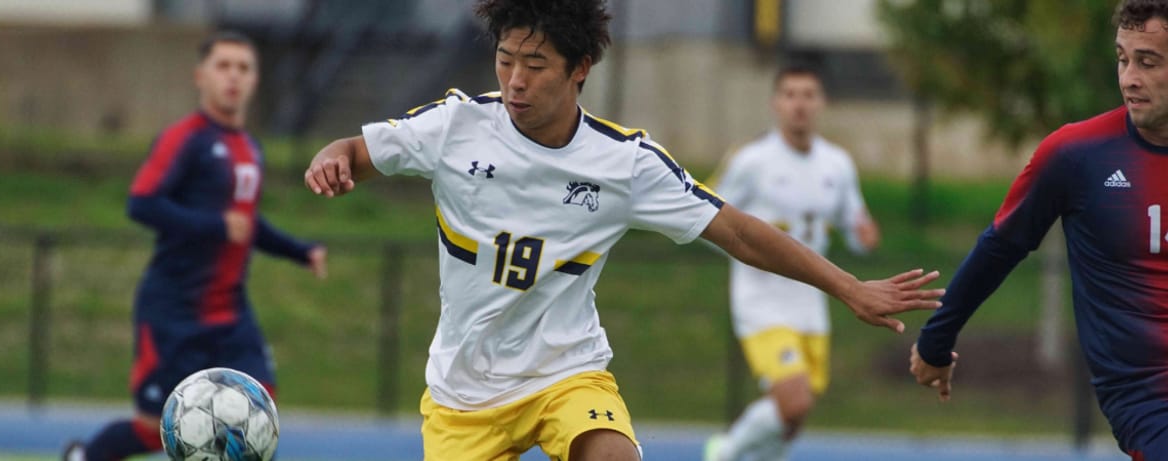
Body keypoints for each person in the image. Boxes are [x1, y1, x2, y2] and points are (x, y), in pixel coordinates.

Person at [305, 1, 941, 459]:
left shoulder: (626, 163)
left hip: (566, 373)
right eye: (505, 60)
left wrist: (849, 287)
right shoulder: (454, 127)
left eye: (536, 64)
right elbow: (357, 153)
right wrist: (333, 158)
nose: (515, 80)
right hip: (462, 392)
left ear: (580, 68)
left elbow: (740, 232)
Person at [910, 1, 1168, 458]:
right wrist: (935, 341)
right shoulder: (1076, 155)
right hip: (1150, 400)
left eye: (1148, 62)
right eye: (1123, 59)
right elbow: (999, 249)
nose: (1129, 77)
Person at [62, 31, 327, 461]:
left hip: (232, 315)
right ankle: (83, 456)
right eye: (223, 66)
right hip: (174, 312)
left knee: (257, 414)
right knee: (154, 430)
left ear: (256, 79)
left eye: (243, 68)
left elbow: (247, 224)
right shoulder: (185, 138)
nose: (233, 77)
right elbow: (142, 203)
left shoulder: (250, 149)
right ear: (200, 76)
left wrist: (301, 251)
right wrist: (215, 224)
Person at [703, 65, 880, 461]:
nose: (799, 105)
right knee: (793, 401)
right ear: (775, 103)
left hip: (811, 300)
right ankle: (725, 451)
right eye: (790, 95)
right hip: (761, 300)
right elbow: (706, 219)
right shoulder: (751, 160)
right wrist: (749, 250)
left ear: (821, 104)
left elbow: (854, 223)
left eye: (808, 95)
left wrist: (863, 236)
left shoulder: (837, 164)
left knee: (793, 418)